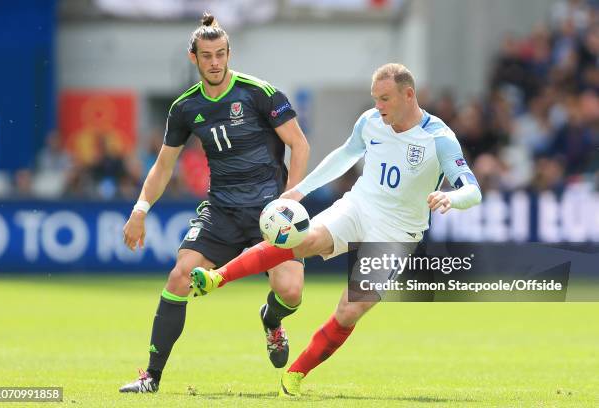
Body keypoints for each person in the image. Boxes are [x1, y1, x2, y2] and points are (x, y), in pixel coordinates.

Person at [191, 63, 482, 396]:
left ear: (409, 94)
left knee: (350, 310)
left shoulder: (439, 138)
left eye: (385, 99)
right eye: (375, 98)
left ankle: (296, 374)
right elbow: (345, 155)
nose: (378, 107)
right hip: (358, 208)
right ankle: (217, 277)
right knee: (303, 239)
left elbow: (472, 190)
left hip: (397, 235)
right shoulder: (371, 122)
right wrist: (301, 190)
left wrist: (450, 198)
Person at [119, 13, 310, 393]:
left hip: (268, 213)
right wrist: (139, 210)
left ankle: (271, 321)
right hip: (221, 210)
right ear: (194, 58)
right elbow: (163, 165)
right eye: (207, 56)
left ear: (229, 53)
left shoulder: (259, 93)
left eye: (221, 54)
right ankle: (151, 378)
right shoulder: (185, 108)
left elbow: (299, 144)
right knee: (179, 276)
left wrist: (289, 199)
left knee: (291, 293)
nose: (215, 62)